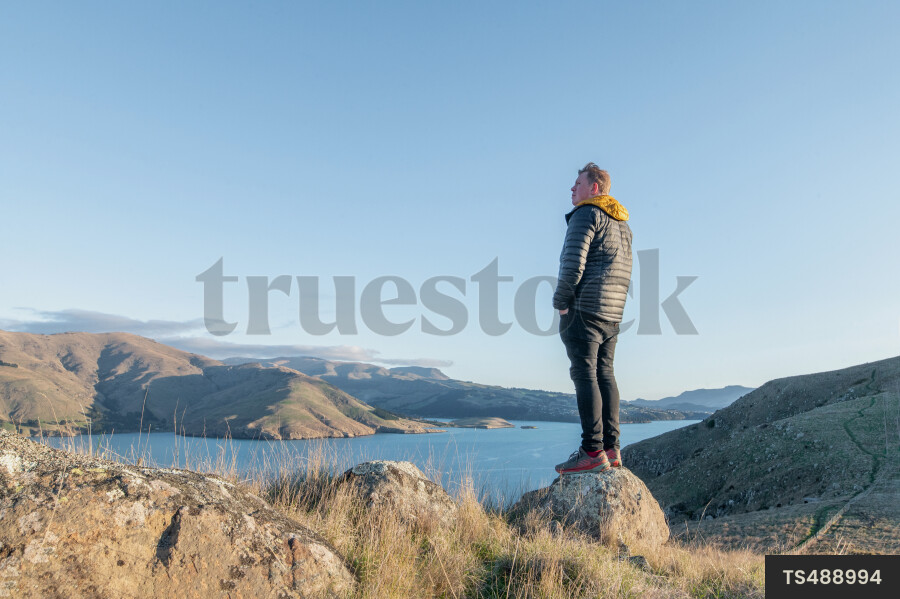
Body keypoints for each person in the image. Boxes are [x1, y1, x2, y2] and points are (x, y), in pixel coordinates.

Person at [553, 163, 633, 474]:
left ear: (594, 188)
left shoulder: (587, 213)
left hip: (584, 309)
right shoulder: (623, 225)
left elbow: (573, 261)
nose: (572, 189)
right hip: (613, 314)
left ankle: (591, 450)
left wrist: (562, 302)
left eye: (577, 183)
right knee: (605, 374)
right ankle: (611, 449)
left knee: (585, 374)